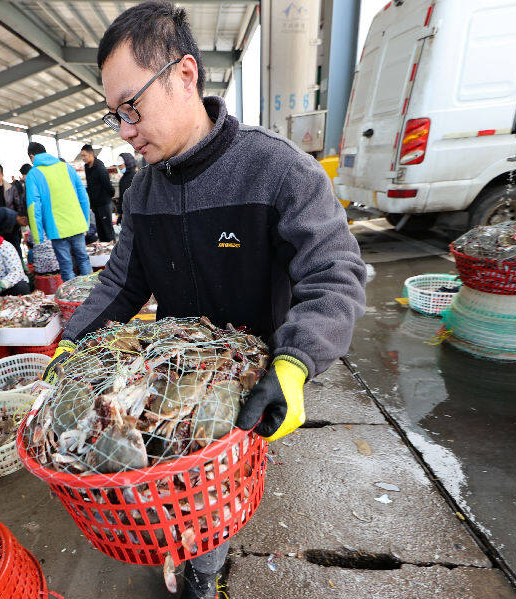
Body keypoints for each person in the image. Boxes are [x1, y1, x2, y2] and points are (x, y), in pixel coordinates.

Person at [42, 3, 367, 597]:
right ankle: (186, 555)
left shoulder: (275, 170)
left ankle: (206, 574)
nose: (124, 131)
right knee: (161, 479)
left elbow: (336, 273)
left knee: (214, 501)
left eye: (131, 108)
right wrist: (70, 344)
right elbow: (120, 282)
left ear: (184, 74)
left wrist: (294, 365)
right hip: (176, 373)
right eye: (114, 115)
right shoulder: (142, 189)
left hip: (249, 381)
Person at [25, 142, 92, 282]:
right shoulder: (66, 167)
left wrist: (37, 237)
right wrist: (85, 221)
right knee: (83, 260)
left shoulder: (33, 174)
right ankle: (93, 294)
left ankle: (73, 299)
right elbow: (83, 197)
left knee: (66, 266)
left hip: (56, 229)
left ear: (32, 156)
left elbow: (33, 206)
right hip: (77, 223)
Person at [80, 144, 116, 242]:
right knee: (100, 231)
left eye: (84, 155)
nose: (83, 158)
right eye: (81, 156)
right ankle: (104, 254)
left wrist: (110, 196)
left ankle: (113, 251)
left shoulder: (99, 167)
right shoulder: (87, 167)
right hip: (95, 204)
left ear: (91, 154)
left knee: (107, 230)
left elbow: (107, 185)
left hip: (104, 203)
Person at [117, 152, 137, 225]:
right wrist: (120, 212)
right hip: (126, 212)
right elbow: (121, 197)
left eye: (121, 165)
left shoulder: (136, 177)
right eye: (119, 166)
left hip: (135, 212)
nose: (120, 168)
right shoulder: (122, 179)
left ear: (127, 163)